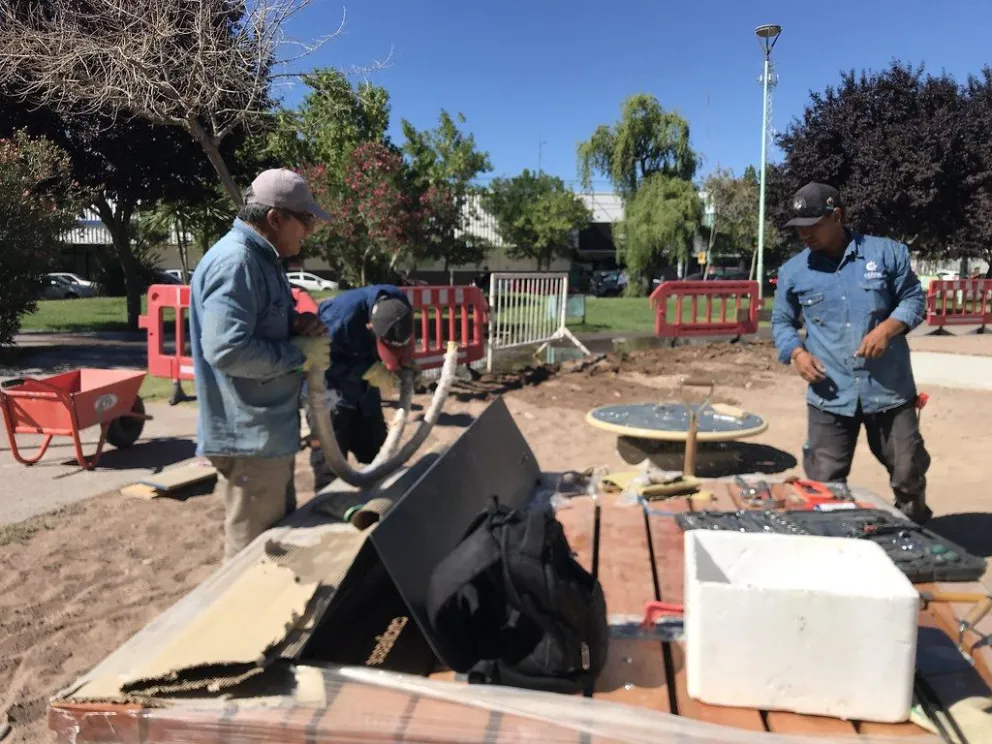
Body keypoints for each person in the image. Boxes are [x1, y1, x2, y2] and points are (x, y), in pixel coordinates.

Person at [189, 168, 332, 561]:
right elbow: (228, 349)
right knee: (251, 558)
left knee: (273, 547)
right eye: (305, 222)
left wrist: (295, 326)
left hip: (265, 435)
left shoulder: (262, 261)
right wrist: (298, 353)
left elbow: (255, 330)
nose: (309, 233)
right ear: (275, 219)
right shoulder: (237, 263)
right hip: (247, 436)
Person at [771, 182, 932, 525]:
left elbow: (915, 301)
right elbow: (782, 323)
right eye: (799, 228)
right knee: (823, 484)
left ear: (837, 216)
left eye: (813, 225)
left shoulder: (887, 254)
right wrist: (797, 353)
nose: (805, 235)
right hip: (830, 395)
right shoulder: (793, 272)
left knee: (908, 475)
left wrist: (889, 328)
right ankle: (833, 546)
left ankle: (915, 537)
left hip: (889, 391)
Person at [306, 285, 416, 492]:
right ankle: (328, 502)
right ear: (370, 327)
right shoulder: (338, 319)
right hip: (329, 392)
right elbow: (316, 364)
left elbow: (403, 340)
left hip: (365, 394)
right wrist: (367, 370)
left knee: (380, 458)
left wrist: (405, 363)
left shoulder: (398, 303)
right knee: (331, 461)